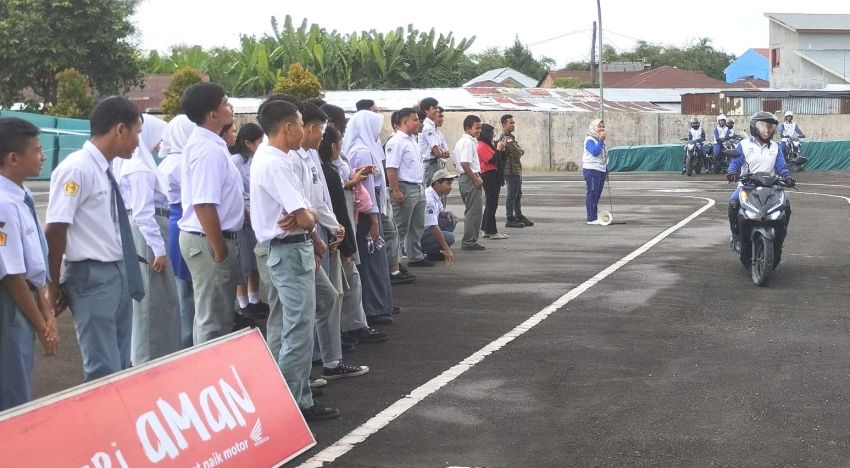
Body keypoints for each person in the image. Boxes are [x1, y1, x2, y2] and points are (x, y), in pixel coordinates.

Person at [250, 99, 338, 421]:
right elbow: (303, 216)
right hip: (288, 251)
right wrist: (311, 218)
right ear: (288, 127)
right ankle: (292, 402)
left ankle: (296, 391)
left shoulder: (272, 156)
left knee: (298, 319)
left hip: (292, 248)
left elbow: (301, 218)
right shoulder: (276, 162)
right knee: (297, 328)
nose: (304, 130)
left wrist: (310, 230)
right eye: (301, 123)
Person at [45, 96, 143, 381]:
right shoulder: (77, 168)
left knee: (122, 362)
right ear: (120, 129)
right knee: (103, 367)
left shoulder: (104, 167)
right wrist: (52, 286)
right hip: (92, 275)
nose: (138, 141)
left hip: (116, 271)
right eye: (136, 132)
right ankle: (105, 425)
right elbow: (55, 229)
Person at [294, 102, 368, 381]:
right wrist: (323, 228)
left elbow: (320, 199)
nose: (323, 139)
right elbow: (304, 206)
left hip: (317, 231)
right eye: (321, 133)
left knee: (326, 297)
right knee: (297, 310)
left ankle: (330, 362)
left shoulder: (310, 156)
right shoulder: (285, 159)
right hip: (300, 238)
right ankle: (299, 377)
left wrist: (333, 226)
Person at [177, 82, 244, 345]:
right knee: (213, 320)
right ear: (213, 114)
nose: (231, 108)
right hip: (208, 240)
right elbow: (204, 204)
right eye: (226, 103)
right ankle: (208, 377)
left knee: (213, 315)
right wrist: (219, 250)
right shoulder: (206, 150)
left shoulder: (211, 144)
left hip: (208, 238)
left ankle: (208, 372)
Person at [0, 118, 58, 411]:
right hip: (12, 303)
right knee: (12, 386)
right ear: (13, 158)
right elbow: (11, 275)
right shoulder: (3, 203)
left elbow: (34, 265)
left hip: (27, 297)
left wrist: (46, 308)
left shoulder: (20, 194)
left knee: (19, 375)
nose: (43, 156)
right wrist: (41, 325)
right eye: (37, 150)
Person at [118, 114, 180, 365]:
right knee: (151, 303)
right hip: (148, 233)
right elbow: (144, 213)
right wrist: (158, 249)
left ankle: (153, 356)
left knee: (156, 301)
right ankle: (148, 360)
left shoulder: (140, 163)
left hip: (149, 230)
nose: (159, 144)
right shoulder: (139, 167)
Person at [318, 126, 388, 344]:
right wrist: (344, 239)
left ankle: (347, 328)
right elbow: (333, 206)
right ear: (333, 146)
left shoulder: (327, 168)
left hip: (339, 229)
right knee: (342, 283)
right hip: (338, 231)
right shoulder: (326, 171)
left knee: (345, 282)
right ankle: (344, 332)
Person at [346, 110, 396, 324]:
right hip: (368, 211)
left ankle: (376, 305)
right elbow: (366, 188)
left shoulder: (359, 148)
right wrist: (375, 220)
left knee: (371, 259)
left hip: (366, 209)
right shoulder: (363, 151)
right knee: (372, 260)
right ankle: (374, 308)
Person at [726, 112, 794, 252]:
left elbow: (781, 166)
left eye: (770, 127)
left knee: (785, 205)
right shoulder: (744, 145)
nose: (767, 130)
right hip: (747, 185)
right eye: (763, 126)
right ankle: (737, 237)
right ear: (754, 127)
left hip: (771, 186)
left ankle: (780, 239)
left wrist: (787, 176)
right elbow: (736, 162)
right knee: (733, 203)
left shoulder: (776, 147)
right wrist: (732, 172)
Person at [157, 115, 196, 349]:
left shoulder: (166, 162)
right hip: (184, 219)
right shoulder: (183, 163)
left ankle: (182, 340)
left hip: (174, 219)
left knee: (181, 288)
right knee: (188, 292)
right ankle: (187, 342)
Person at [229, 123, 268, 320]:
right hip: (244, 216)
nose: (262, 145)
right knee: (243, 261)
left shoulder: (254, 160)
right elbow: (238, 193)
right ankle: (243, 303)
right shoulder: (236, 161)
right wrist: (247, 213)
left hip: (255, 214)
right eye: (259, 141)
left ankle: (254, 299)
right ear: (248, 143)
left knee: (254, 260)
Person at [386, 108, 430, 267]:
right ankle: (394, 265)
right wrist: (396, 190)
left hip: (417, 187)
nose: (418, 123)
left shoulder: (413, 140)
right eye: (415, 120)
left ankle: (415, 256)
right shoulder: (396, 141)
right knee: (400, 228)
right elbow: (392, 168)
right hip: (405, 187)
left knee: (417, 225)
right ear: (405, 122)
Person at [453, 115, 485, 250]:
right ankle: (469, 241)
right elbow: (464, 163)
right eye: (476, 128)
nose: (479, 131)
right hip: (469, 178)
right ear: (467, 128)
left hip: (465, 177)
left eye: (480, 128)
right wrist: (475, 178)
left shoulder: (463, 141)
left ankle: (470, 240)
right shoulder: (467, 142)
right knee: (474, 212)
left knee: (472, 210)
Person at [498, 114, 531, 228]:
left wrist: (519, 150)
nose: (513, 125)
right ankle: (510, 218)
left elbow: (519, 150)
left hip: (516, 169)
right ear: (504, 125)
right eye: (510, 123)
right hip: (511, 170)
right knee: (512, 195)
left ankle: (518, 215)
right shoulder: (505, 138)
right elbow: (518, 152)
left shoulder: (511, 137)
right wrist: (519, 150)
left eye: (513, 122)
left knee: (517, 194)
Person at [477, 123, 508, 240]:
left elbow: (500, 159)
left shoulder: (487, 145)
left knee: (491, 204)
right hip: (488, 175)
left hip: (493, 175)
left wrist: (502, 149)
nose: (492, 135)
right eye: (490, 133)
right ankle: (492, 231)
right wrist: (499, 149)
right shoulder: (481, 145)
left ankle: (486, 229)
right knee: (491, 204)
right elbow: (493, 160)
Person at [421, 169, 457, 264]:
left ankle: (433, 251)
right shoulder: (429, 199)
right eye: (448, 184)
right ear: (437, 184)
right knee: (450, 238)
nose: (450, 187)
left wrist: (449, 213)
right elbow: (433, 226)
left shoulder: (436, 194)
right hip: (420, 233)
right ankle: (425, 250)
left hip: (425, 230)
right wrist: (446, 248)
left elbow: (441, 212)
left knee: (450, 220)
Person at [419, 97, 449, 192]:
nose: (437, 110)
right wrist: (439, 152)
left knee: (439, 192)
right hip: (430, 164)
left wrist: (440, 152)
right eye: (434, 108)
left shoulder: (434, 128)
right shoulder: (428, 127)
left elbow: (445, 153)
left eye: (437, 108)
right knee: (431, 191)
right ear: (426, 110)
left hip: (436, 162)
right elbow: (437, 152)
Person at [583, 119, 608, 225]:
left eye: (603, 127)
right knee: (592, 193)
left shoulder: (599, 140)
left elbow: (604, 156)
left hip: (600, 170)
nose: (602, 129)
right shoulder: (590, 139)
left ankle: (594, 214)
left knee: (597, 194)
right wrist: (601, 141)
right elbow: (594, 152)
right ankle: (591, 218)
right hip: (592, 169)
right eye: (599, 127)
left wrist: (606, 170)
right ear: (594, 127)